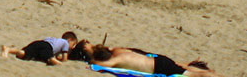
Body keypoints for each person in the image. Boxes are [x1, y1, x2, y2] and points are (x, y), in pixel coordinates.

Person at [88, 46, 223, 77]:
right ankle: (210, 72)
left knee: (192, 75)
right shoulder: (119, 51)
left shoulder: (116, 60)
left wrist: (92, 60)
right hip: (158, 59)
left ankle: (211, 75)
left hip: (159, 67)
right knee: (183, 67)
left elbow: (100, 65)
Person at [1, 33, 86, 64]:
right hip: (46, 46)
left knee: (24, 53)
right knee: (53, 60)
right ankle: (54, 62)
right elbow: (64, 59)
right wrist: (63, 60)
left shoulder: (55, 40)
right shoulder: (65, 43)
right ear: (69, 40)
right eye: (73, 44)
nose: (73, 47)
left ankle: (9, 50)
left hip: (39, 43)